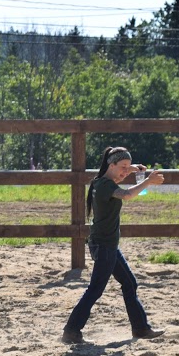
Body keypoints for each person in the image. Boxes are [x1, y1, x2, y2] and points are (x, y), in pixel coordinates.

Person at [62, 146, 166, 344]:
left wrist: (134, 168)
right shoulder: (105, 186)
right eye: (123, 167)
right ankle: (71, 331)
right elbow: (126, 195)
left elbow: (123, 170)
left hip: (107, 245)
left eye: (128, 167)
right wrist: (148, 181)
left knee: (129, 283)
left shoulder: (100, 181)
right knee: (95, 289)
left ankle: (141, 329)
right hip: (104, 246)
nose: (125, 172)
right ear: (112, 165)